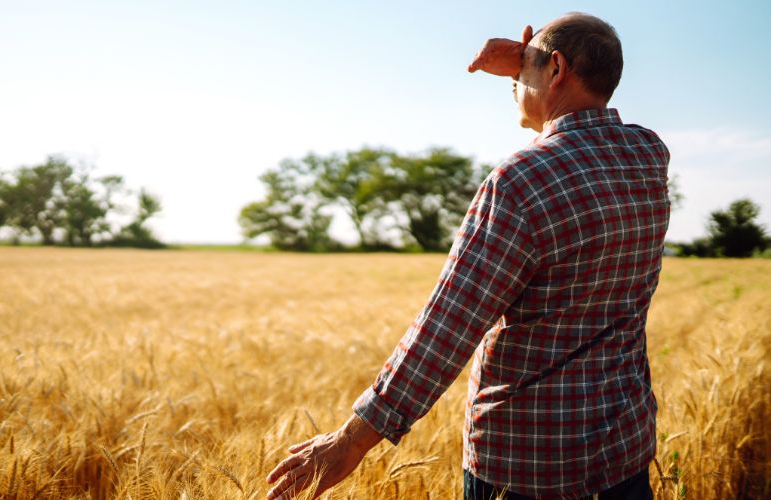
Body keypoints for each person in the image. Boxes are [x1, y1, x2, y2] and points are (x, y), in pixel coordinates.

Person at [266, 12, 668, 500]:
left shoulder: (520, 182)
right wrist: (532, 64)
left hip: (528, 467)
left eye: (529, 66)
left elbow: (448, 325)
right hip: (623, 452)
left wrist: (351, 441)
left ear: (557, 68)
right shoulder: (646, 154)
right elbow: (578, 146)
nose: (516, 79)